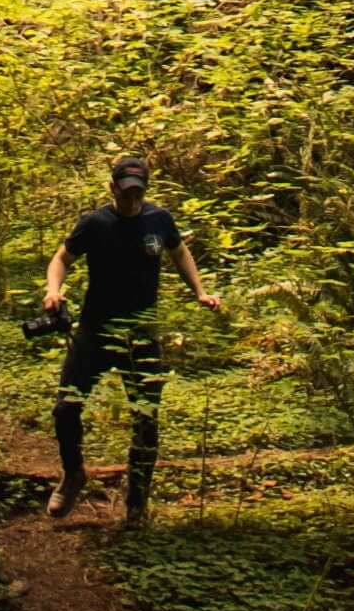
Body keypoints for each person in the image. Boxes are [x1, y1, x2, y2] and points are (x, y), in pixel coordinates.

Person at [42, 152, 221, 524]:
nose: (132, 200)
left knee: (146, 417)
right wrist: (53, 290)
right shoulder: (94, 223)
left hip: (141, 333)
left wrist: (199, 292)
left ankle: (137, 503)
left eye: (138, 193)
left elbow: (180, 252)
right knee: (65, 409)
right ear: (112, 188)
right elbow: (61, 258)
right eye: (126, 193)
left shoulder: (159, 220)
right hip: (95, 329)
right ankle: (73, 474)